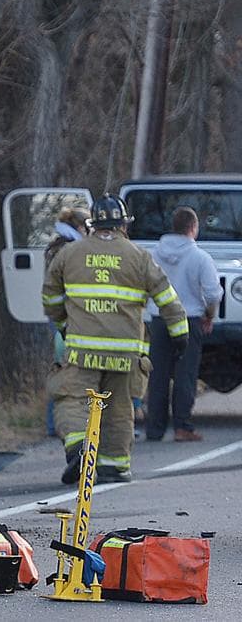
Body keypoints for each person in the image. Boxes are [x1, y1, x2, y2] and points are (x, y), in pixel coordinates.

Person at [43, 193, 188, 484]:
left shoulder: (69, 254)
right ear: (124, 224)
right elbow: (167, 298)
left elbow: (51, 298)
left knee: (72, 398)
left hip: (82, 349)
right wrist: (180, 333)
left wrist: (63, 325)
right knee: (119, 407)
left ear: (92, 224)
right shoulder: (139, 256)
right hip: (125, 353)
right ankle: (114, 466)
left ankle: (79, 447)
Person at [145, 206, 223, 442]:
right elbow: (212, 293)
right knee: (185, 374)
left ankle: (155, 429)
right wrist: (209, 316)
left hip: (159, 319)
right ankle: (182, 426)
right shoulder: (200, 257)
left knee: (157, 374)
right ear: (193, 227)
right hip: (189, 319)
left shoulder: (154, 255)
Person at [45, 206, 91, 437]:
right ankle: (57, 424)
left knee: (61, 366)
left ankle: (55, 423)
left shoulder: (57, 245)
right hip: (69, 314)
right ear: (80, 227)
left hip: (61, 314)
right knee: (66, 368)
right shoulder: (69, 248)